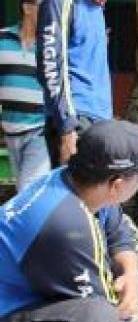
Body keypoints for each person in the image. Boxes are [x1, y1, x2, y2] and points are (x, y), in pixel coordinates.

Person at [0, 120, 138, 322]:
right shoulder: (67, 226)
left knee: (130, 281)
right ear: (117, 184)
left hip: (28, 296)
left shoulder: (85, 183)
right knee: (96, 320)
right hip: (6, 319)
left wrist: (129, 274)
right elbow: (110, 308)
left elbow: (120, 234)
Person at [37, 0, 112, 166]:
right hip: (75, 120)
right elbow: (51, 65)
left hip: (100, 120)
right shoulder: (59, 4)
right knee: (72, 191)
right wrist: (67, 128)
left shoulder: (97, 8)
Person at [0, 0, 50, 190]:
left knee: (27, 190)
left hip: (40, 131)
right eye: (42, 7)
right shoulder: (3, 39)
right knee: (26, 193)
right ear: (27, 8)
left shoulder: (50, 46)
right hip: (11, 131)